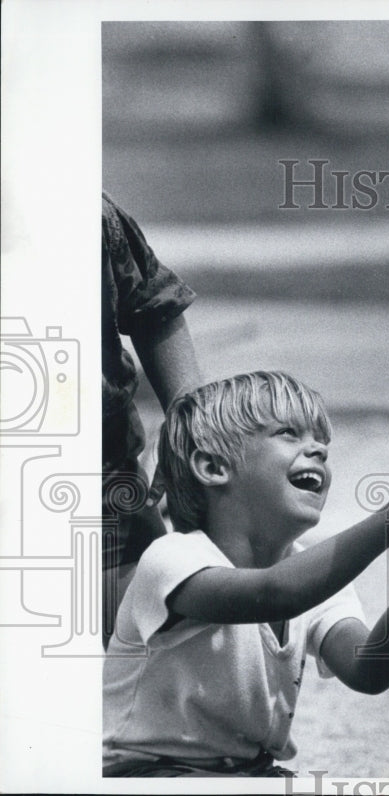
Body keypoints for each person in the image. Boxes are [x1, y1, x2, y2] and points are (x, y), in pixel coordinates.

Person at [103, 371, 389, 777]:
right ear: (213, 466)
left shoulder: (316, 573)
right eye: (289, 433)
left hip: (247, 773)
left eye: (322, 443)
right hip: (147, 773)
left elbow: (371, 668)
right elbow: (274, 593)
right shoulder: (172, 558)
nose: (317, 448)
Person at [102, 191, 203, 649]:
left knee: (153, 644)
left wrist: (190, 423)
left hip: (102, 474)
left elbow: (152, 306)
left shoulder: (83, 207)